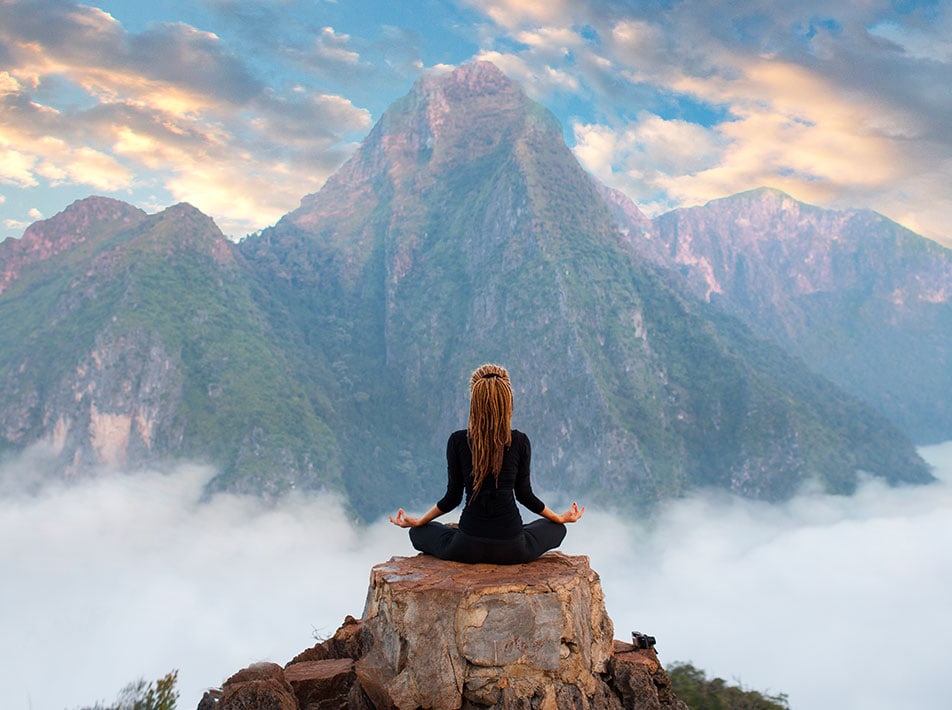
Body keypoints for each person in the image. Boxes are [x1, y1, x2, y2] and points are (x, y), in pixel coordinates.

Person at [390, 363, 584, 564]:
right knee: (556, 529)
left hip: (466, 547)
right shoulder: (519, 441)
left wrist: (420, 521)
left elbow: (452, 498)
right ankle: (522, 532)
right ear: (507, 400)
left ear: (474, 400)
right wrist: (560, 518)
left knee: (417, 533)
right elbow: (525, 495)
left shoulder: (458, 441)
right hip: (513, 549)